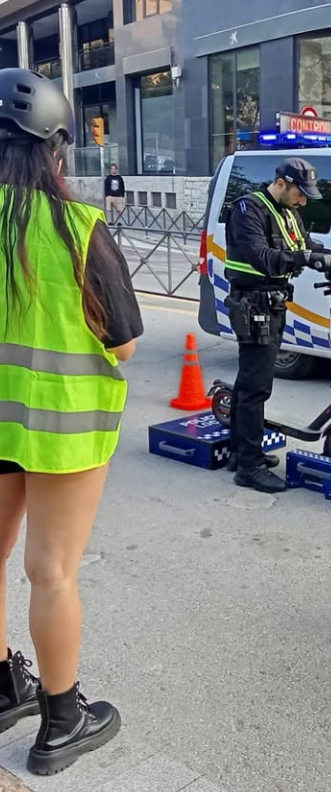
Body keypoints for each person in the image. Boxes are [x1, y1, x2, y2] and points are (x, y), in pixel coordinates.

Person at [0, 68, 143, 775]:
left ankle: (3, 685)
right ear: (53, 147)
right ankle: (62, 720)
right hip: (61, 428)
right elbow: (122, 341)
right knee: (50, 572)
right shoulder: (77, 226)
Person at [225, 158, 331, 494]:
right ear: (282, 183)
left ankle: (240, 451)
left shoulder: (288, 212)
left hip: (273, 302)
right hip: (254, 303)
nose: (304, 200)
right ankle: (249, 467)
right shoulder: (248, 210)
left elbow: (307, 247)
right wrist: (306, 260)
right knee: (256, 385)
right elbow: (262, 257)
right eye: (300, 193)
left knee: (250, 383)